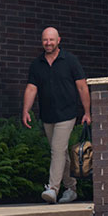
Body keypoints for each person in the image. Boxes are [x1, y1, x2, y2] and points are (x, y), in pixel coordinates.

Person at [22, 27, 91, 204]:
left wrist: (87, 112)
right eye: (45, 40)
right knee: (61, 153)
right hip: (48, 115)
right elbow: (31, 88)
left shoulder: (70, 60)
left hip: (67, 113)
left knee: (57, 150)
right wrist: (26, 110)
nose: (48, 43)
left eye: (51, 40)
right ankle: (71, 188)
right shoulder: (37, 64)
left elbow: (82, 86)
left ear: (59, 40)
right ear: (42, 41)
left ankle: (53, 189)